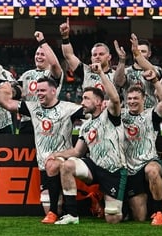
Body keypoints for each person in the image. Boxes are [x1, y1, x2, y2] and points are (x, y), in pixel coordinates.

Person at [1, 77, 83, 224]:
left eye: (43, 90)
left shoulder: (69, 108)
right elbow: (7, 103)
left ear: (54, 91)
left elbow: (90, 113)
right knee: (48, 203)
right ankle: (57, 211)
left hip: (62, 161)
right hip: (42, 163)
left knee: (54, 170)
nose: (39, 93)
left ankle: (59, 212)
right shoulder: (33, 107)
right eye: (37, 90)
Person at [54, 63, 126, 225]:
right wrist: (57, 155)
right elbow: (77, 151)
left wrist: (101, 73)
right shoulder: (85, 125)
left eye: (86, 98)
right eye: (82, 98)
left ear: (99, 101)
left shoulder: (110, 115)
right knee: (67, 166)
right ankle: (72, 215)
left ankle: (113, 203)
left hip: (114, 169)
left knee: (112, 218)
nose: (82, 102)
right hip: (94, 166)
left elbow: (114, 98)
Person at [121, 68, 162, 225]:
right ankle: (125, 209)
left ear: (144, 99)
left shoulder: (151, 114)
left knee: (152, 170)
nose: (132, 101)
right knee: (140, 217)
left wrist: (155, 81)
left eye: (136, 98)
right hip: (130, 167)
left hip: (150, 160)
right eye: (129, 99)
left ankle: (159, 212)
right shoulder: (121, 115)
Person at [60, 18, 115, 91]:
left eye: (101, 54)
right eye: (94, 55)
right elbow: (69, 55)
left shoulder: (116, 75)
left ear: (109, 57)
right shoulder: (85, 71)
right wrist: (65, 37)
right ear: (91, 58)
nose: (97, 57)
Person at [114, 34, 162, 109]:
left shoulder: (157, 69)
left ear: (149, 54)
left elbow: (152, 72)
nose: (139, 54)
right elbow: (118, 82)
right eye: (137, 51)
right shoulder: (126, 71)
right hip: (130, 114)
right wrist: (122, 60)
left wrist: (137, 53)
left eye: (143, 51)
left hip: (150, 114)